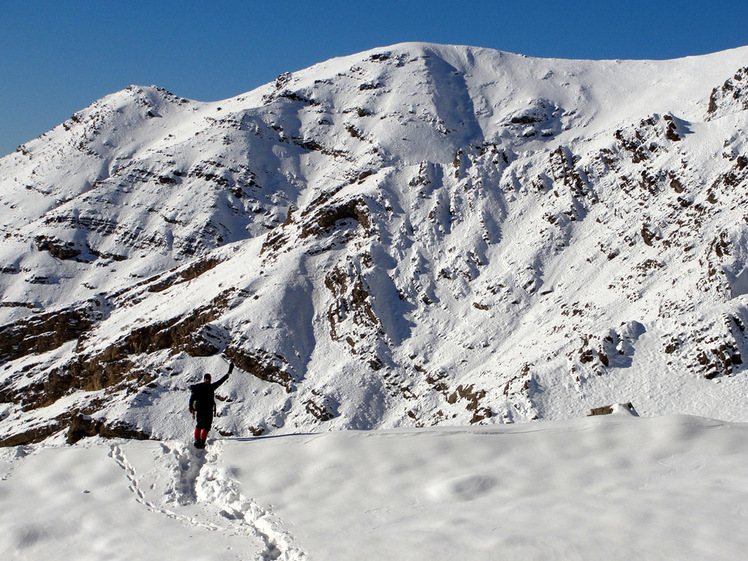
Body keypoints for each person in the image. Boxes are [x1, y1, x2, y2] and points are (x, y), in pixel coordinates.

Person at [189, 362, 233, 448]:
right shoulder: (199, 387)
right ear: (204, 379)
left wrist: (228, 373)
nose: (207, 381)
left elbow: (220, 381)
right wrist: (191, 407)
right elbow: (193, 397)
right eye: (206, 379)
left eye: (208, 379)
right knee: (200, 425)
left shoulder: (211, 387)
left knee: (207, 426)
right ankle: (197, 440)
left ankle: (202, 440)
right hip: (201, 409)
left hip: (209, 410)